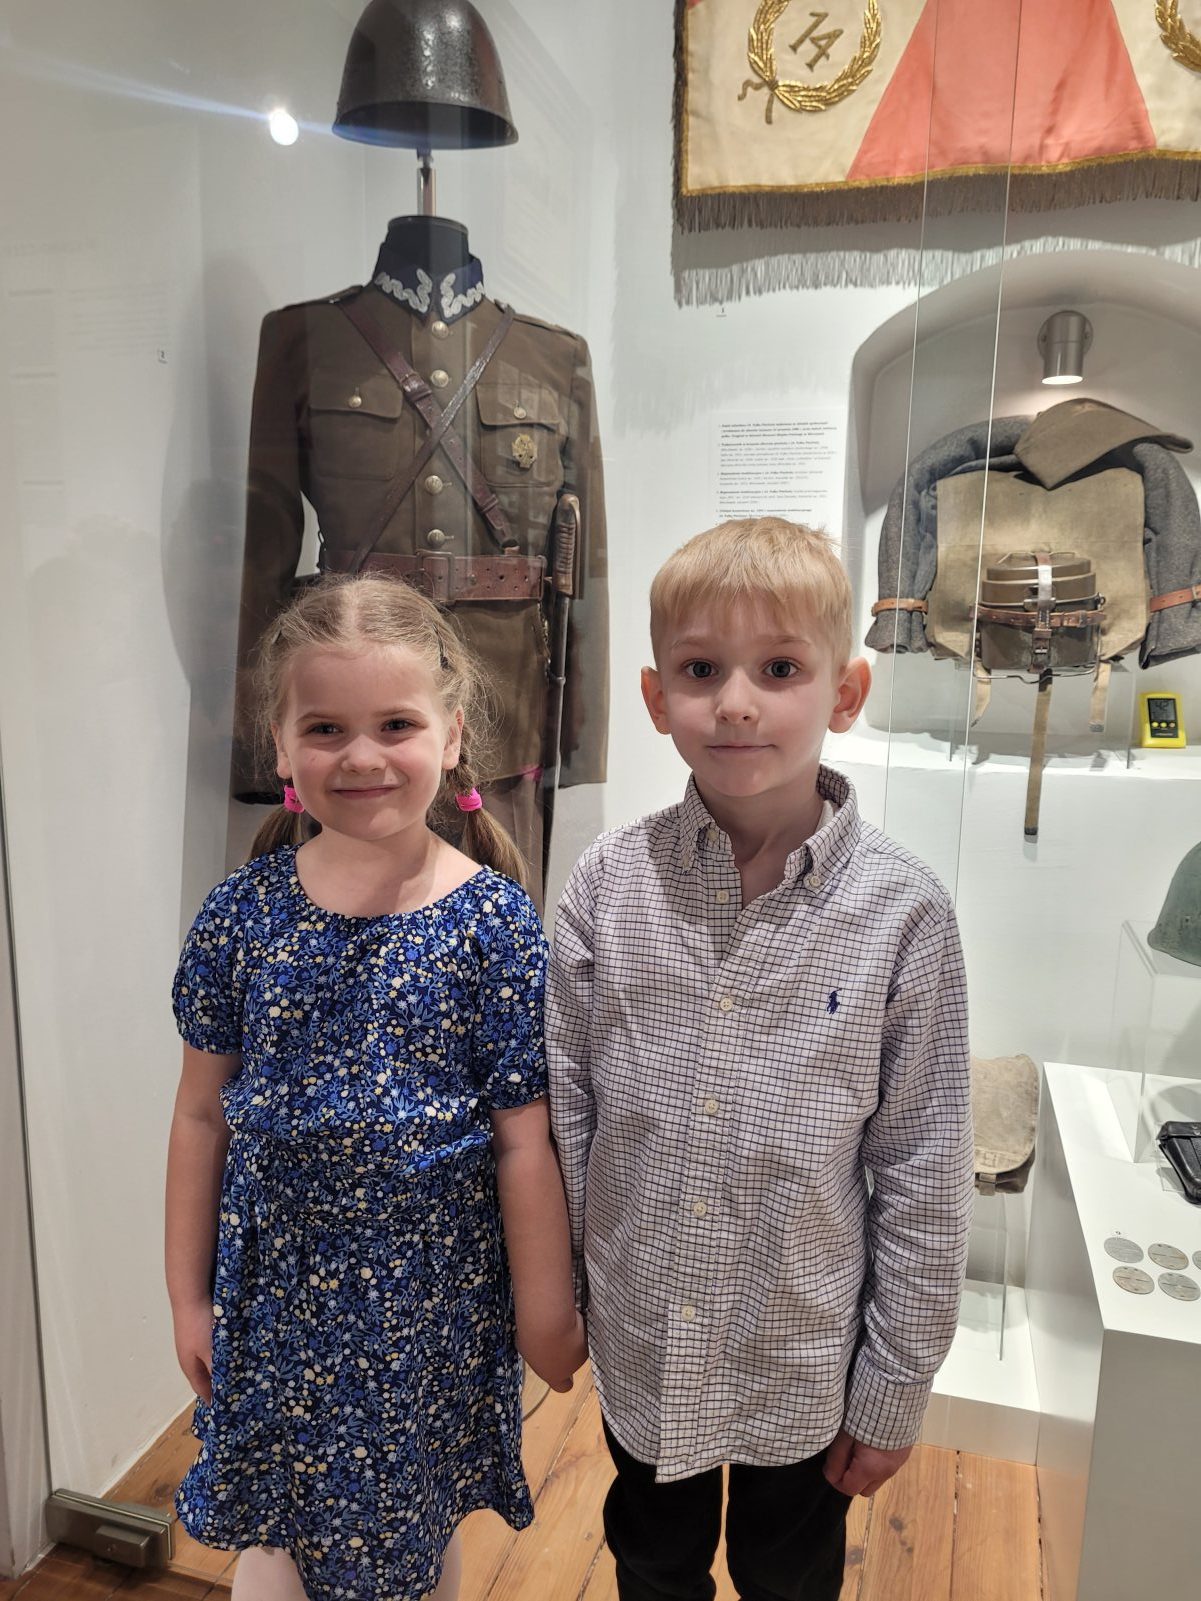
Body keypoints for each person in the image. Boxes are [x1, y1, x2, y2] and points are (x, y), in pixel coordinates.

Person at [548, 518, 974, 1601]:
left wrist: (894, 1383)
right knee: (651, 1556)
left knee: (788, 1573)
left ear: (845, 691)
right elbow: (568, 1112)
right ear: (657, 698)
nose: (735, 702)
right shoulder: (605, 882)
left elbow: (923, 1167)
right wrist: (558, 1294)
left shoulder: (905, 912)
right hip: (643, 1334)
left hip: (798, 1351)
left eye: (779, 668)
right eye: (701, 670)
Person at [165, 575, 586, 1601]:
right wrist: (187, 1294)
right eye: (325, 728)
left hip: (429, 1309)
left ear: (452, 733)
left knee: (414, 1523)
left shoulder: (494, 924)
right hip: (276, 1302)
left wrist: (546, 1313)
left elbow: (522, 1140)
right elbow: (199, 1114)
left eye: (394, 724)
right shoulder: (241, 916)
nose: (360, 756)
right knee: (275, 1537)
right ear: (280, 746)